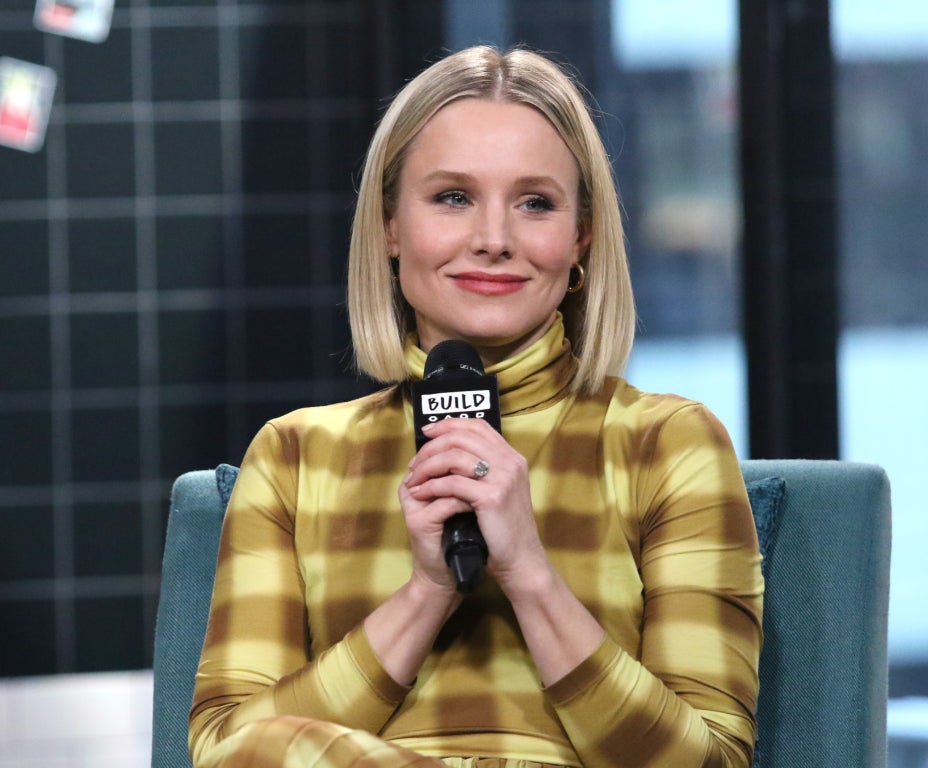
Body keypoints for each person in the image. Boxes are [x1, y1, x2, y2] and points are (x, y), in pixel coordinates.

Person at [189, 45, 764, 768]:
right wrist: (428, 590)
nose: (493, 240)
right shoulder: (296, 455)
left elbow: (713, 761)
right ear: (390, 226)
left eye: (535, 203)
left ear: (581, 237)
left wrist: (528, 572)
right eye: (453, 198)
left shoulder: (667, 443)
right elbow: (228, 752)